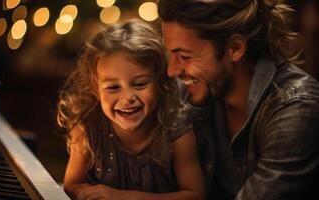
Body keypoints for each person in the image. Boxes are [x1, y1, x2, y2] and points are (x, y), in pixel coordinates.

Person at [157, 0, 319, 199]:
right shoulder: (193, 92)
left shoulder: (295, 108)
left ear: (235, 48)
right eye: (170, 54)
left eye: (184, 56)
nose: (172, 71)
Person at [57, 19, 204, 200]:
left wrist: (124, 197)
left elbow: (195, 195)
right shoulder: (88, 129)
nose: (127, 98)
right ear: (96, 89)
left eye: (140, 84)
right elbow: (72, 185)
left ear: (160, 83)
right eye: (113, 87)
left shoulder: (176, 131)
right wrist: (89, 194)